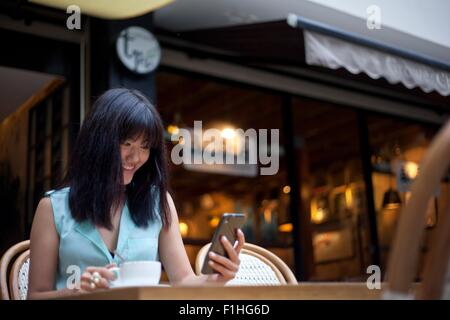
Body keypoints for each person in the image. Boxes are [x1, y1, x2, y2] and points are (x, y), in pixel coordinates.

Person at [27, 88, 245, 299]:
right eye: (127, 143)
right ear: (98, 142)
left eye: (145, 146)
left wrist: (217, 278)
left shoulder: (158, 203)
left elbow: (184, 281)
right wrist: (77, 293)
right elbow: (35, 296)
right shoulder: (52, 208)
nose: (136, 157)